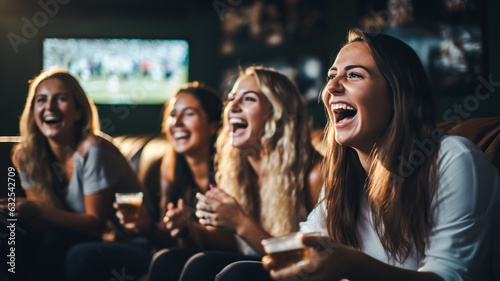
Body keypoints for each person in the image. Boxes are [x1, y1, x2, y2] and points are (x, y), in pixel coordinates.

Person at [218, 29, 500, 281]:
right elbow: (302, 248)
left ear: (398, 93)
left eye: (354, 75)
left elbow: (449, 276)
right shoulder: (345, 177)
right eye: (331, 77)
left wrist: (354, 265)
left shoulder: (453, 160)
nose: (332, 88)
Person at [148, 66, 323, 281]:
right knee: (169, 259)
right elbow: (235, 245)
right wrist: (191, 228)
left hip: (294, 273)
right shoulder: (237, 168)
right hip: (255, 263)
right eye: (231, 99)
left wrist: (241, 222)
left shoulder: (313, 173)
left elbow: (311, 262)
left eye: (249, 99)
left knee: (235, 274)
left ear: (278, 112)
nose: (233, 107)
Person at [65, 82, 223, 281]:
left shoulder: (226, 173)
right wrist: (148, 227)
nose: (177, 123)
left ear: (213, 125)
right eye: (173, 115)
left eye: (189, 114)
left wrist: (190, 227)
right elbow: (169, 239)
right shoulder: (171, 172)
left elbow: (233, 241)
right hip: (175, 256)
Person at [0, 68, 142, 281]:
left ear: (78, 112)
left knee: (67, 249)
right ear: (33, 111)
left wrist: (35, 211)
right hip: (74, 239)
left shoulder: (94, 150)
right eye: (41, 100)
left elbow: (95, 226)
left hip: (128, 243)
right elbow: (47, 219)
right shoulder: (27, 156)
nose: (49, 107)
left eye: (61, 99)